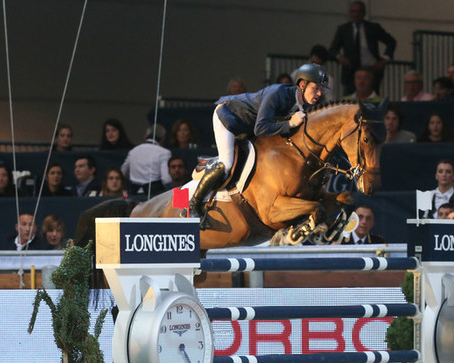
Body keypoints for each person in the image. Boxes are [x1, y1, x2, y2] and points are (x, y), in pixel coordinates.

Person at [190, 63, 329, 221]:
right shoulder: (278, 93)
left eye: (321, 90)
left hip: (249, 125)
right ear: (302, 85)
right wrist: (289, 124)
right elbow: (261, 129)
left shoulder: (305, 104)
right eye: (315, 88)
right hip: (229, 117)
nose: (319, 93)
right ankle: (194, 204)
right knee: (227, 163)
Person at [328, 1, 396, 95]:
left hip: (371, 69)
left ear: (364, 13)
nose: (356, 14)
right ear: (350, 13)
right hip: (350, 70)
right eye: (354, 11)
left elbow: (391, 42)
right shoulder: (343, 29)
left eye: (359, 11)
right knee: (349, 100)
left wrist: (384, 60)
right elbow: (332, 49)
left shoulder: (373, 28)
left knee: (372, 98)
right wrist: (340, 57)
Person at [121, 125, 172, 196]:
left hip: (134, 194)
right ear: (163, 139)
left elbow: (123, 171)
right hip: (154, 194)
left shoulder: (133, 151)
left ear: (145, 137)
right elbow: (166, 179)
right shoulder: (164, 152)